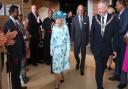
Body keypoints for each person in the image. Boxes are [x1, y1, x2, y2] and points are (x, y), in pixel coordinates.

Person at [90, 1, 118, 89]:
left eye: (100, 8)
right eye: (98, 8)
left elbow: (115, 35)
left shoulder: (113, 19)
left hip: (107, 49)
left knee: (102, 67)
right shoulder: (95, 18)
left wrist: (114, 50)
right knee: (99, 67)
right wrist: (92, 47)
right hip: (97, 49)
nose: (98, 10)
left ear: (106, 8)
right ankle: (99, 86)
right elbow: (92, 34)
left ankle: (99, 82)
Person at [3, 5, 27, 89]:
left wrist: (23, 50)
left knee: (17, 72)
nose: (18, 14)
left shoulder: (16, 22)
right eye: (17, 12)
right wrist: (14, 56)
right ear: (12, 12)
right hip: (14, 54)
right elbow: (8, 42)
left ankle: (19, 87)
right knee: (14, 74)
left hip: (19, 52)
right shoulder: (7, 24)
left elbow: (19, 37)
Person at [109, 1, 128, 89]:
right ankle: (117, 75)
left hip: (123, 42)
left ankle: (123, 81)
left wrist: (114, 33)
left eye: (116, 5)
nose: (115, 7)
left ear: (121, 5)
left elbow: (123, 28)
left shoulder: (126, 13)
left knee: (124, 60)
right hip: (117, 41)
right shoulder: (118, 14)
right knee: (118, 59)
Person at [50, 11, 70, 89]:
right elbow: (52, 39)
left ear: (62, 19)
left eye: (59, 19)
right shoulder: (54, 27)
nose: (58, 21)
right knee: (55, 67)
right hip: (55, 51)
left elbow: (68, 40)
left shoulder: (65, 28)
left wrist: (68, 52)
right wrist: (51, 50)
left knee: (61, 65)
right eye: (56, 19)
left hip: (63, 50)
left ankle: (62, 75)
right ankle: (57, 83)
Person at [71, 5, 89, 75]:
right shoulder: (74, 18)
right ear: (77, 10)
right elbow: (72, 30)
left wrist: (88, 40)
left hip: (84, 40)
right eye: (79, 10)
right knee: (75, 53)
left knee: (83, 55)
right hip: (76, 39)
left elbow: (87, 30)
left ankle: (82, 68)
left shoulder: (86, 18)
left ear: (83, 10)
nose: (81, 11)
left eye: (82, 10)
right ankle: (78, 61)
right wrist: (72, 40)